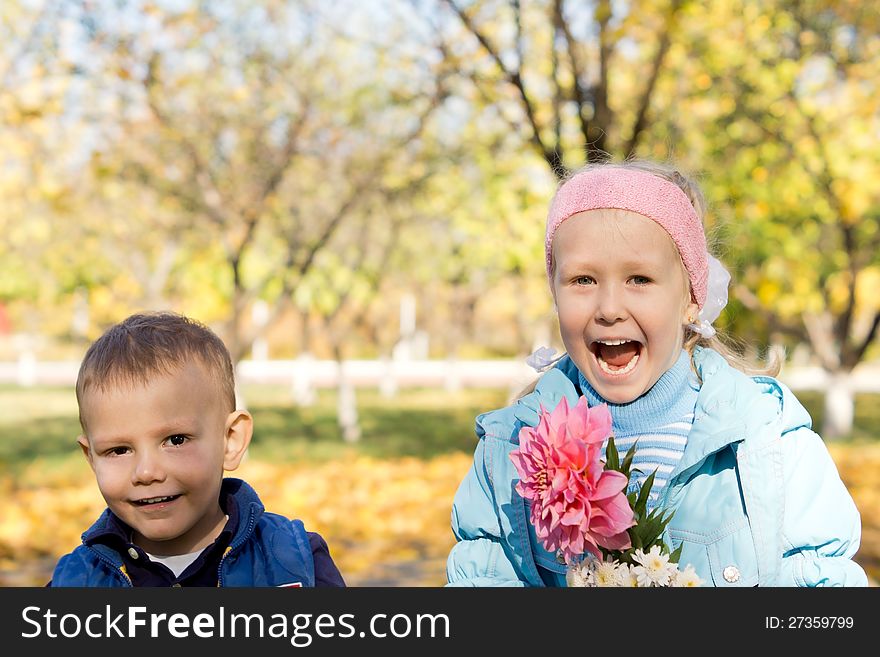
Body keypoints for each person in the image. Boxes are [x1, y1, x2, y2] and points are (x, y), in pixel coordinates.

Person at [446, 159, 867, 587]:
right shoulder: (511, 453)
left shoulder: (767, 443)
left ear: (690, 299)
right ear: (554, 293)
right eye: (583, 280)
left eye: (640, 279)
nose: (609, 308)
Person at [49, 311, 345, 587]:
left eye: (175, 440)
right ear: (91, 458)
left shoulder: (295, 565)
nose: (146, 472)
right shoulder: (76, 582)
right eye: (119, 450)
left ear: (230, 440)